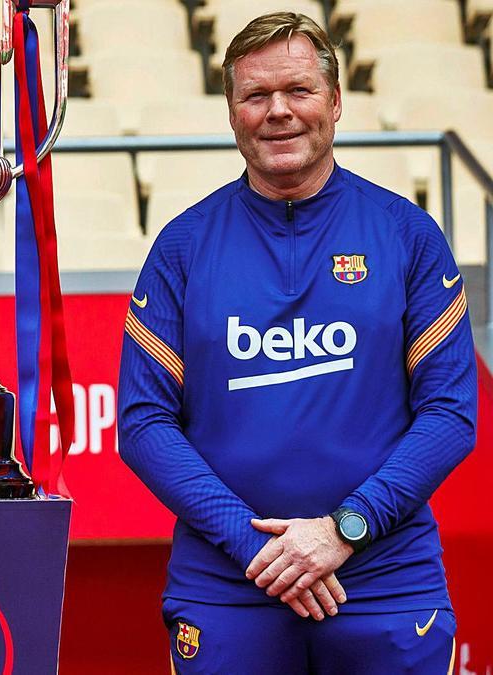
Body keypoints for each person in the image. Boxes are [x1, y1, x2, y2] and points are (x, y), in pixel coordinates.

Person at [118, 12, 474, 673]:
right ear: (232, 113)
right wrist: (257, 548)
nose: (278, 111)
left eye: (299, 91)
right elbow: (143, 424)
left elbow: (451, 414)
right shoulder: (181, 248)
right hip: (229, 586)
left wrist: (345, 528)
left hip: (384, 579)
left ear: (335, 101)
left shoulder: (408, 236)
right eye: (256, 96)